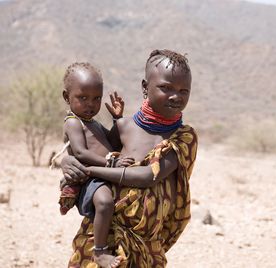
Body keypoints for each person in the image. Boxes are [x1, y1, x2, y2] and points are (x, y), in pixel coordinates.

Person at [61, 49, 198, 268]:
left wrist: (88, 170)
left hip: (146, 245)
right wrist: (66, 161)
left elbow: (147, 176)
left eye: (184, 91)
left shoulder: (184, 137)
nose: (176, 96)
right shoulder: (123, 127)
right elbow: (94, 151)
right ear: (145, 87)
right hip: (103, 236)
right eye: (166, 87)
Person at [59, 62, 130, 268]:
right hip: (91, 179)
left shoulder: (94, 123)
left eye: (96, 98)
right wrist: (111, 161)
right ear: (67, 97)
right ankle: (99, 252)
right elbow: (80, 152)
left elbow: (114, 143)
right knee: (105, 203)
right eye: (83, 98)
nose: (90, 104)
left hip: (104, 175)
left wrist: (117, 119)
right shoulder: (73, 122)